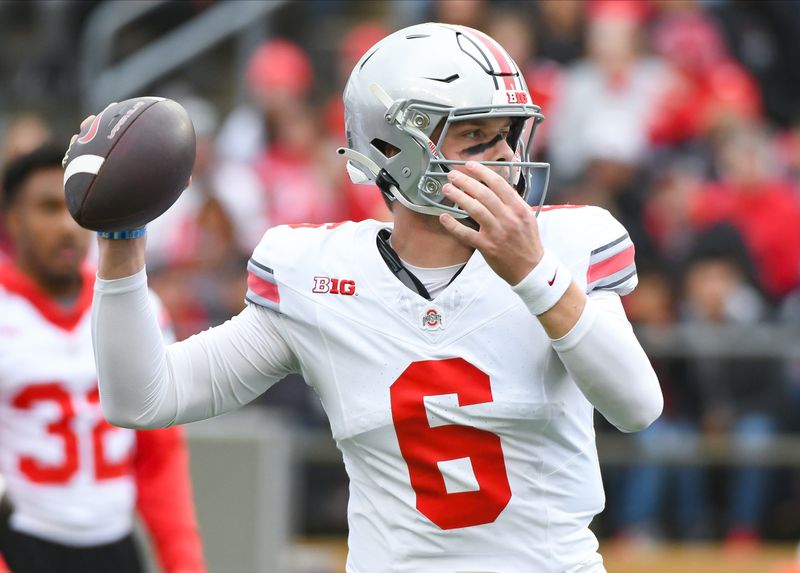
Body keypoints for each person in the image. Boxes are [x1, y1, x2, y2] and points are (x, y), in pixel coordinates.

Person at [82, 23, 662, 573]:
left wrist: (533, 273)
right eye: (477, 136)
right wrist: (121, 241)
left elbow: (636, 406)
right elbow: (144, 398)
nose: (507, 157)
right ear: (394, 147)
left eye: (509, 134)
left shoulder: (567, 246)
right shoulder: (317, 275)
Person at [0, 144, 206, 573]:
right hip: (24, 541)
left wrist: (182, 561)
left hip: (114, 545)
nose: (66, 226)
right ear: (13, 220)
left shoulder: (134, 303)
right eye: (47, 208)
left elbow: (158, 452)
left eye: (74, 209)